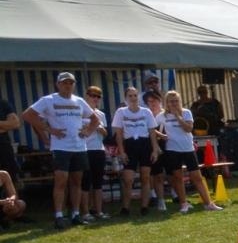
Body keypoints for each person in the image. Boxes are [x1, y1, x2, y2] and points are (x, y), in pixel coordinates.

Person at [23, 72, 95, 228]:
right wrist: (49, 130)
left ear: (74, 85)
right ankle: (59, 215)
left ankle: (75, 214)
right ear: (58, 84)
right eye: (64, 83)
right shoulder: (49, 100)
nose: (67, 86)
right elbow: (28, 115)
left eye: (70, 83)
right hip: (61, 147)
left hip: (79, 146)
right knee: (61, 181)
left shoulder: (80, 101)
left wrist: (87, 131)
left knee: (76, 181)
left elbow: (95, 118)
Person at [157, 90, 223, 213]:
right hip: (172, 149)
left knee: (197, 176)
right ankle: (183, 203)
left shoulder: (186, 113)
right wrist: (161, 135)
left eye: (176, 101)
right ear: (167, 103)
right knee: (177, 177)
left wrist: (178, 116)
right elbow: (151, 128)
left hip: (188, 148)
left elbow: (188, 129)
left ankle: (208, 203)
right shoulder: (161, 116)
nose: (174, 103)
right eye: (171, 101)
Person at [113, 85, 157, 216]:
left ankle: (144, 206)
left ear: (138, 97)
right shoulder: (121, 112)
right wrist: (121, 151)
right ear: (126, 98)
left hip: (144, 144)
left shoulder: (146, 112)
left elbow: (152, 132)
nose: (133, 98)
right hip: (129, 145)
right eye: (130, 96)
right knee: (128, 179)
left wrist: (155, 150)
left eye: (135, 95)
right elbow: (119, 134)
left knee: (145, 177)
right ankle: (125, 207)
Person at [80, 85, 109, 221]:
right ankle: (85, 212)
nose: (95, 98)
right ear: (87, 96)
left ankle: (98, 211)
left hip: (98, 149)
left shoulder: (101, 114)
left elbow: (105, 133)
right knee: (85, 183)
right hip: (85, 149)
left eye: (98, 96)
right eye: (93, 95)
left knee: (98, 182)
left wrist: (97, 126)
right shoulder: (80, 112)